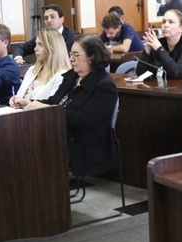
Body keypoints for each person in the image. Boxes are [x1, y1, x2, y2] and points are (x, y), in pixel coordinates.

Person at [12, 35, 117, 177]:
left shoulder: (104, 86)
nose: (71, 58)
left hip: (85, 143)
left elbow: (84, 120)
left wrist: (48, 110)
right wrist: (30, 102)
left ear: (91, 57)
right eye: (71, 54)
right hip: (64, 134)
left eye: (76, 54)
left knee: (29, 141)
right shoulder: (72, 77)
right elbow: (54, 101)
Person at [135, 9, 182, 79]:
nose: (165, 25)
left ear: (181, 28)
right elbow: (140, 73)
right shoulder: (159, 43)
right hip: (162, 88)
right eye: (164, 22)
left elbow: (177, 72)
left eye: (171, 22)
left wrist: (159, 48)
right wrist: (147, 50)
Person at [10, 28, 70, 102]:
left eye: (40, 45)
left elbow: (52, 105)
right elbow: (20, 95)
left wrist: (27, 103)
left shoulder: (62, 75)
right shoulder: (32, 70)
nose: (35, 49)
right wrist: (15, 99)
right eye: (36, 44)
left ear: (52, 48)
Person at [14, 4, 80, 64]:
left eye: (52, 17)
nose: (49, 20)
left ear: (62, 19)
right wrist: (18, 58)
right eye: (46, 18)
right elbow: (22, 48)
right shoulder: (41, 37)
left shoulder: (73, 36)